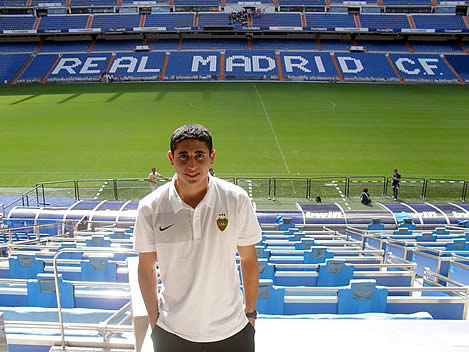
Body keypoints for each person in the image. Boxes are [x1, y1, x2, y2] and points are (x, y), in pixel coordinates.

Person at [134, 124, 261, 352]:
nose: (192, 164)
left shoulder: (236, 199)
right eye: (184, 156)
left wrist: (250, 315)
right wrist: (155, 322)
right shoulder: (150, 208)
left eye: (199, 155)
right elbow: (146, 267)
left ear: (211, 158)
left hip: (233, 330)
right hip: (172, 332)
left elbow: (248, 259)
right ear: (171, 159)